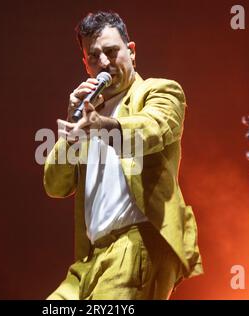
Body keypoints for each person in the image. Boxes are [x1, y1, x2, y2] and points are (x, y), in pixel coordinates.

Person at [43, 11, 203, 300]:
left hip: (137, 243)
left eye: (111, 51)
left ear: (131, 51)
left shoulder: (158, 91)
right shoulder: (89, 115)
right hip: (89, 260)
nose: (104, 63)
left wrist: (104, 126)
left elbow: (153, 129)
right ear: (85, 63)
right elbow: (56, 185)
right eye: (94, 56)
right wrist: (72, 126)